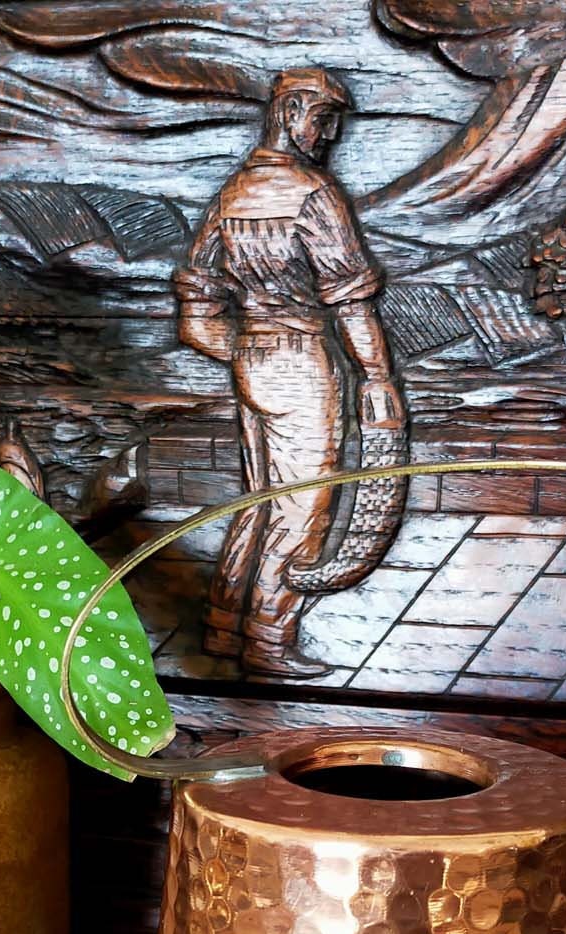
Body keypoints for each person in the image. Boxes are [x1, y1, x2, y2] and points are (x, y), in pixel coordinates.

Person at [173, 68, 405, 679]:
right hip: (305, 364)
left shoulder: (228, 196)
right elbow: (351, 302)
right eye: (323, 119)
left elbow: (194, 322)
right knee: (302, 507)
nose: (329, 136)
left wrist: (251, 354)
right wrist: (378, 379)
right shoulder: (313, 193)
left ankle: (224, 629)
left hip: (251, 359)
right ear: (290, 110)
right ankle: (270, 639)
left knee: (259, 501)